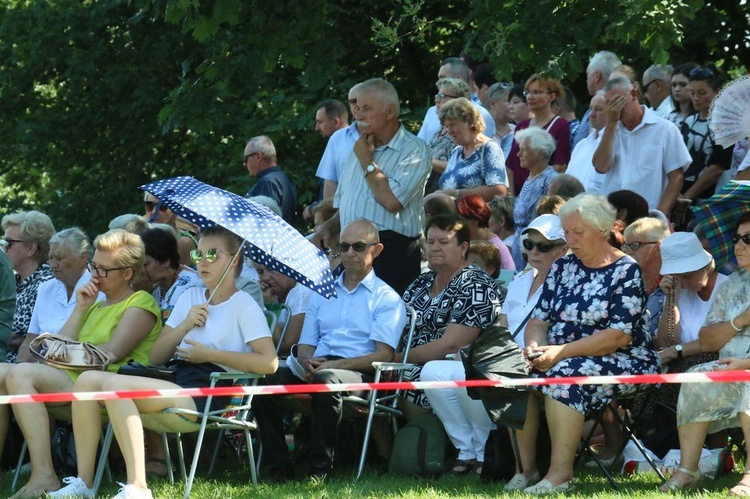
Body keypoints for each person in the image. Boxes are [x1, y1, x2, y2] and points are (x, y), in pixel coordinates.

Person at [48, 225, 277, 499]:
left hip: (212, 391)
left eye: (213, 255)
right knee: (87, 381)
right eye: (198, 254)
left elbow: (269, 363)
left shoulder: (243, 304)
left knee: (115, 387)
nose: (203, 262)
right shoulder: (190, 297)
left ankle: (138, 487)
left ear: (235, 259)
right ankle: (84, 483)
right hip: (178, 378)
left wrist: (210, 355)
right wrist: (184, 325)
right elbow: (157, 356)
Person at [511, 194, 660, 494]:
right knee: (515, 372)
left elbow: (618, 336)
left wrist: (559, 353)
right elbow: (539, 321)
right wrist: (534, 348)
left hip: (623, 357)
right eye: (566, 232)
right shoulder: (562, 267)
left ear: (603, 229)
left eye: (577, 232)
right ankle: (524, 471)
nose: (570, 239)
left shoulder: (625, 271)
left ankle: (560, 475)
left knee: (562, 376)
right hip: (561, 354)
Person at [4, 229, 162, 497]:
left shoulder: (141, 303)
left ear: (126, 273)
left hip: (104, 384)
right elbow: (59, 345)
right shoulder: (95, 305)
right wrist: (80, 307)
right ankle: (35, 470)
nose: (95, 275)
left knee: (21, 374)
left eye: (103, 270)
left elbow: (109, 354)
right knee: (6, 372)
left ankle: (44, 474)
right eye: (94, 267)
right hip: (78, 380)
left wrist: (63, 354)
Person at [255, 220, 406, 480]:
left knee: (327, 381)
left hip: (361, 372)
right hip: (318, 366)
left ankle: (319, 468)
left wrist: (336, 366)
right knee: (262, 382)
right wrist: (306, 361)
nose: (349, 253)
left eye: (359, 247)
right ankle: (278, 466)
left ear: (377, 250)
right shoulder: (321, 294)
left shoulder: (387, 298)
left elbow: (383, 355)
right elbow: (306, 345)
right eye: (344, 246)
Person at [398, 214, 501, 475]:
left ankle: (432, 452)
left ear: (463, 247)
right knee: (375, 373)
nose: (434, 247)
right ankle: (396, 454)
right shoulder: (421, 282)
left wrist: (399, 358)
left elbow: (453, 344)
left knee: (414, 376)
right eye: (430, 241)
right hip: (407, 359)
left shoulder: (475, 284)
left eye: (443, 242)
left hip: (458, 363)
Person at [659, 214, 750, 493]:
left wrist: (747, 363)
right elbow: (708, 338)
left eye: (749, 239)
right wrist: (742, 319)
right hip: (727, 366)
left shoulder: (721, 282)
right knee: (694, 377)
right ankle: (688, 469)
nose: (740, 245)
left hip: (745, 370)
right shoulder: (733, 283)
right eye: (737, 238)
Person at [315, 78, 431, 296]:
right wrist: (329, 227)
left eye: (366, 108)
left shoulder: (415, 150)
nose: (358, 115)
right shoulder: (361, 148)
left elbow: (392, 201)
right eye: (357, 108)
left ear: (390, 112)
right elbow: (350, 204)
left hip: (392, 253)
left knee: (389, 326)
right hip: (351, 251)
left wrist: (367, 161)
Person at [593, 77, 691, 214]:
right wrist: (611, 123)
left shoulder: (665, 129)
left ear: (633, 94)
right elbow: (601, 167)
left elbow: (676, 178)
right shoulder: (610, 131)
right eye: (609, 104)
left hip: (646, 216)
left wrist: (659, 216)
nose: (614, 109)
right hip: (610, 214)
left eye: (618, 101)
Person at [1, 210, 55, 363]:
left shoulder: (47, 283)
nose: (4, 248)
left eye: (8, 243)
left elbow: (33, 337)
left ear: (31, 248)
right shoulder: (14, 280)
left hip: (21, 366)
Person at [505, 75, 571, 193]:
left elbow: (560, 166)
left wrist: (533, 191)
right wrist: (511, 197)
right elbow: (511, 165)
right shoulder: (521, 126)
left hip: (541, 195)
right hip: (519, 197)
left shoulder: (560, 125)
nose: (530, 97)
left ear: (551, 96)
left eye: (536, 92)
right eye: (528, 92)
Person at [435, 97, 509, 201]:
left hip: (474, 216)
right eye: (446, 126)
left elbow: (499, 190)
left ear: (470, 122)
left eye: (453, 125)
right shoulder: (456, 152)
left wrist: (456, 194)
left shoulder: (489, 148)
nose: (449, 131)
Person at [679, 65, 733, 203]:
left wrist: (686, 197)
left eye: (702, 93)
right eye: (692, 93)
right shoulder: (688, 121)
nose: (696, 98)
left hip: (709, 198)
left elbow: (716, 168)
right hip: (680, 193)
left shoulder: (724, 125)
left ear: (717, 92)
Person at [508, 128, 559, 270]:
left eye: (524, 150)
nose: (518, 154)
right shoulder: (531, 177)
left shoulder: (551, 180)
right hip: (521, 247)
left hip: (535, 249)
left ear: (540, 152)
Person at [417, 57, 495, 141]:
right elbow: (420, 145)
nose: (437, 83)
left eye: (442, 78)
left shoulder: (480, 114)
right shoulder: (432, 112)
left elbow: (483, 148)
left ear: (458, 80)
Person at [137, 228, 202, 323]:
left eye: (146, 264)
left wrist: (142, 296)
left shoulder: (191, 288)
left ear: (165, 261)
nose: (141, 271)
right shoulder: (156, 284)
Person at [314, 84, 363, 202]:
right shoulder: (336, 140)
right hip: (342, 218)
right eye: (351, 102)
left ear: (336, 122)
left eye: (320, 122)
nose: (317, 128)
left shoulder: (391, 138)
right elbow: (329, 195)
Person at [424, 78, 472, 195]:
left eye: (442, 96)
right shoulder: (441, 128)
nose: (437, 101)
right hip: (427, 195)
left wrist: (425, 161)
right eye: (437, 96)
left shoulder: (462, 132)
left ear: (459, 101)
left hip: (445, 197)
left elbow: (460, 167)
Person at [255, 262, 312, 355]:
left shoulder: (301, 292)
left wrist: (267, 306)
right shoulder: (272, 292)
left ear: (289, 266)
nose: (265, 277)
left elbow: (285, 346)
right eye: (260, 272)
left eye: (271, 268)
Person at [571, 50, 622, 149]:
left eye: (587, 74)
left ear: (597, 76)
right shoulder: (619, 108)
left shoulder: (616, 111)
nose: (586, 80)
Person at [243, 135, 298, 225]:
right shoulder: (280, 178)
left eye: (246, 159)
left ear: (258, 156)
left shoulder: (268, 182)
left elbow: (264, 223)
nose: (244, 164)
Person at [456, 195, 515, 271]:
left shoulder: (498, 249)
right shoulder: (461, 241)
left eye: (460, 220)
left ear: (475, 219)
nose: (456, 225)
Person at [566, 91, 608, 193]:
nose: (592, 114)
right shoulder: (581, 145)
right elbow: (567, 180)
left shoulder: (616, 145)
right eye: (590, 108)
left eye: (598, 109)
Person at [486, 82, 516, 159]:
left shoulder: (518, 131)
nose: (512, 106)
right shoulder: (482, 134)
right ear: (492, 104)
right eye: (509, 101)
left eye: (515, 102)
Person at [667, 63, 699, 128]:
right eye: (674, 85)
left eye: (683, 85)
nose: (677, 89)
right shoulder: (670, 116)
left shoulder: (701, 118)